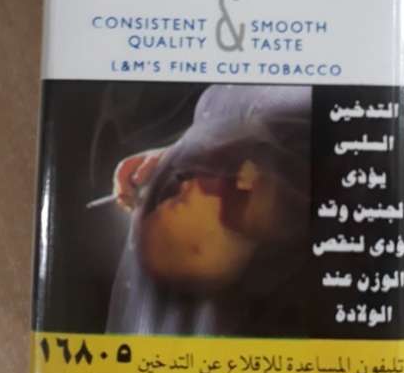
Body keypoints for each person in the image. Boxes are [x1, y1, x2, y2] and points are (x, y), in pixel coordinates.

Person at [106, 84, 312, 337]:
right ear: (199, 248)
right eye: (180, 201)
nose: (183, 184)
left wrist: (181, 152)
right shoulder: (258, 217)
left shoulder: (234, 208)